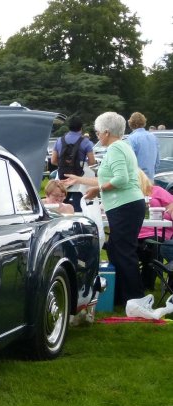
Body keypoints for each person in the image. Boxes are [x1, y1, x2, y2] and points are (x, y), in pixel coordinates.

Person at [64, 112, 146, 307]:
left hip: (125, 206)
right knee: (117, 250)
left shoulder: (116, 148)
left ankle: (134, 298)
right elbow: (106, 179)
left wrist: (96, 190)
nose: (97, 135)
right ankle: (122, 296)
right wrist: (79, 180)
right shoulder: (121, 147)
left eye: (98, 131)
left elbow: (120, 180)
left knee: (124, 252)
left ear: (107, 132)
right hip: (127, 205)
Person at [50, 116, 96, 212]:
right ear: (81, 128)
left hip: (62, 176)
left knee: (59, 206)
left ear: (68, 127)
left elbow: (53, 160)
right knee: (79, 206)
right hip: (79, 177)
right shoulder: (86, 142)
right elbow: (92, 161)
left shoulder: (59, 141)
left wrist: (64, 164)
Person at [136, 171, 173, 289]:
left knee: (153, 245)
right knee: (118, 246)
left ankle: (146, 284)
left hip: (158, 231)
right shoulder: (127, 195)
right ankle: (127, 283)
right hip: (134, 232)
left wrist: (169, 212)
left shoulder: (156, 190)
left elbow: (172, 206)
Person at [127, 112, 159, 180]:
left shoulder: (131, 139)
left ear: (131, 123)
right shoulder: (153, 137)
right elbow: (157, 161)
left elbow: (129, 162)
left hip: (137, 179)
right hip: (150, 178)